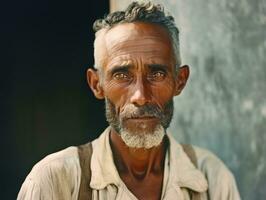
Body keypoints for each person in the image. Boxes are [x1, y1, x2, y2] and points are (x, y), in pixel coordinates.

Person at [18, 1, 241, 199]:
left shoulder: (213, 180)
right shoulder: (55, 181)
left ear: (179, 81)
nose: (141, 97)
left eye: (157, 74)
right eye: (122, 75)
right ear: (97, 84)